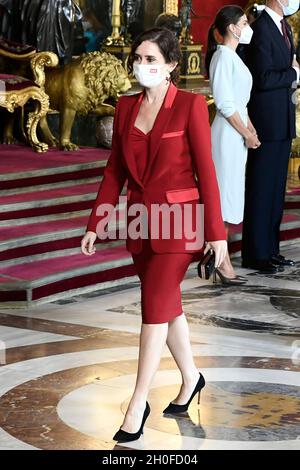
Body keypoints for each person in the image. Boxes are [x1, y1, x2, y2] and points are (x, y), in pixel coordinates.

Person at [81, 28, 227, 443]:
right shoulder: (125, 107)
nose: (140, 66)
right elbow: (115, 172)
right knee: (167, 306)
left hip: (180, 226)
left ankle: (137, 403)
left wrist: (216, 235)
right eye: (137, 58)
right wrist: (97, 223)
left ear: (171, 66)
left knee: (153, 307)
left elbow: (207, 173)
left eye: (150, 60)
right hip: (142, 225)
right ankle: (192, 378)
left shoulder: (190, 105)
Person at [242, 0, 299, 273]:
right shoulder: (262, 28)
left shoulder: (283, 26)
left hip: (283, 120)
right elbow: (263, 78)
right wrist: (294, 74)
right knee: (261, 188)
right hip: (266, 121)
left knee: (276, 190)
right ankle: (255, 253)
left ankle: (271, 249)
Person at [205, 6, 261, 285]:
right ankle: (222, 262)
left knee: (229, 196)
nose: (247, 26)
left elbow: (239, 102)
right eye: (242, 22)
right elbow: (225, 104)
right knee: (224, 200)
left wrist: (249, 128)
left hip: (236, 131)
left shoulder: (232, 57)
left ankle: (216, 256)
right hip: (227, 134)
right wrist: (245, 132)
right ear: (231, 27)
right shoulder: (222, 56)